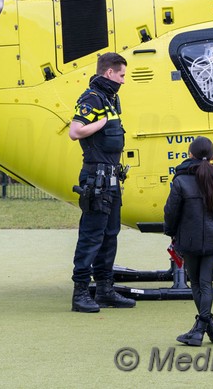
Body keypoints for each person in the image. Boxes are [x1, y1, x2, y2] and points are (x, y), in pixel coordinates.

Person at [69, 52, 135, 312]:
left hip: (110, 179)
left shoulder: (110, 98)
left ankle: (105, 289)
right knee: (91, 236)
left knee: (110, 235)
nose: (123, 80)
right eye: (121, 75)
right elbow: (75, 131)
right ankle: (80, 293)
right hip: (96, 178)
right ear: (109, 73)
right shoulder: (92, 99)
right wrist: (101, 123)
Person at [164, 137, 213, 346]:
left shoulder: (180, 181)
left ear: (190, 154)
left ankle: (200, 329)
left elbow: (171, 212)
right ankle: (210, 328)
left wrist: (171, 233)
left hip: (188, 238)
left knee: (196, 283)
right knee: (206, 282)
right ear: (212, 156)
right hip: (212, 237)